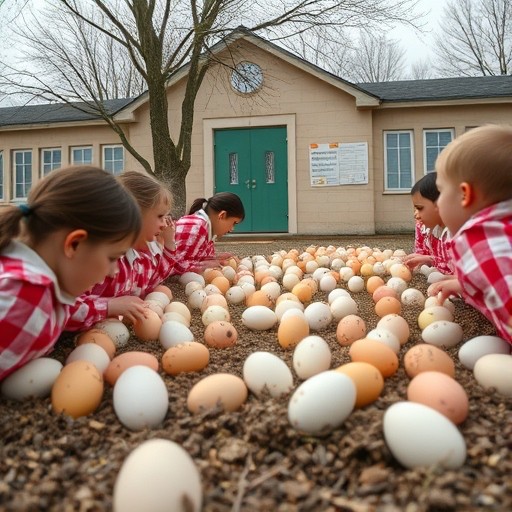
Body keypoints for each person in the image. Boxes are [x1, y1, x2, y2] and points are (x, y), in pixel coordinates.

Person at [0, 166, 141, 381]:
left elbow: (70, 310)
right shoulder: (25, 294)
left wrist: (108, 307)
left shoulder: (46, 291)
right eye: (112, 258)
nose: (114, 272)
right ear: (74, 244)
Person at [429, 124, 512, 344]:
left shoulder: (478, 238)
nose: (437, 203)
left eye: (441, 191)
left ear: (465, 194)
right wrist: (465, 284)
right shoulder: (502, 230)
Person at [64, 170, 176, 331]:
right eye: (159, 216)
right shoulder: (101, 259)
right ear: (135, 214)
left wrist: (170, 243)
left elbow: (154, 280)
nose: (164, 224)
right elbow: (64, 309)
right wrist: (110, 306)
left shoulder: (139, 256)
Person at [173, 192, 245, 273]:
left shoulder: (207, 229)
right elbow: (176, 265)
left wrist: (217, 258)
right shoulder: (197, 227)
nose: (232, 229)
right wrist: (207, 265)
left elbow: (197, 257)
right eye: (234, 223)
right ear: (222, 215)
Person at [403, 172, 453, 275]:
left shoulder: (454, 235)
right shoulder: (436, 230)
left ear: (440, 204)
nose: (415, 215)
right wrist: (426, 259)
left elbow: (454, 269)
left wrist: (428, 260)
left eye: (420, 208)